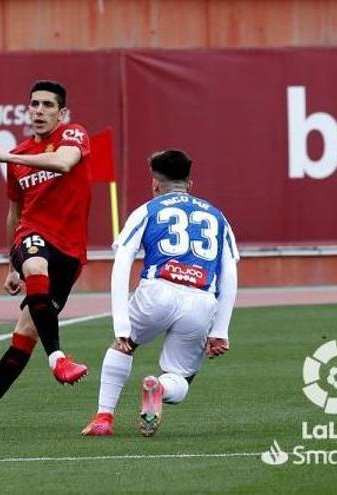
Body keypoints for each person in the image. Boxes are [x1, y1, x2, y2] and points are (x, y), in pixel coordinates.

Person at [0, 80, 93, 430]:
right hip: (32, 238)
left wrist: (9, 155)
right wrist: (9, 267)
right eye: (34, 104)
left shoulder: (73, 135)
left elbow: (64, 163)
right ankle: (58, 358)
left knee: (26, 332)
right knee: (33, 263)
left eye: (47, 105)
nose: (39, 111)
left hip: (71, 251)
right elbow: (14, 214)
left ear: (62, 112)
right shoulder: (21, 155)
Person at [81, 149, 239, 437]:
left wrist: (121, 324)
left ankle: (104, 418)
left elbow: (123, 262)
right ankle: (161, 387)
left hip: (157, 291)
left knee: (123, 347)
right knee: (181, 377)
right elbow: (230, 273)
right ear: (190, 184)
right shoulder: (217, 216)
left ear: (155, 183)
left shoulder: (147, 210)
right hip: (201, 300)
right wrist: (221, 330)